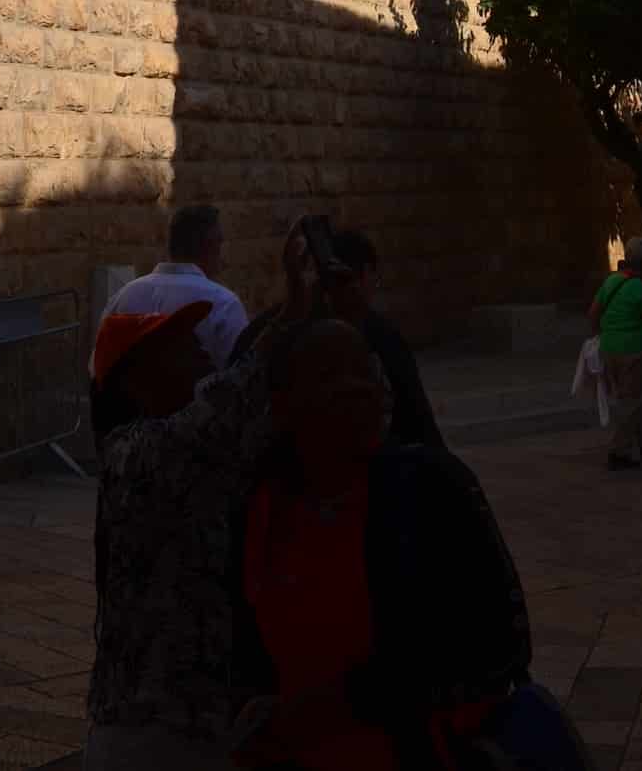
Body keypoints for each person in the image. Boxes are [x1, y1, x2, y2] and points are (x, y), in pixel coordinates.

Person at [228, 320, 532, 768]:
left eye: (364, 370)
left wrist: (342, 705)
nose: (354, 387)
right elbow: (248, 652)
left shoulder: (430, 489)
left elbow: (499, 644)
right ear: (281, 403)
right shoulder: (262, 510)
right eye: (328, 373)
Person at [86, 225, 309, 769]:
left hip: (201, 717)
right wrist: (294, 311)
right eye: (181, 347)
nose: (201, 352)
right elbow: (229, 402)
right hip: (150, 729)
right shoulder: (134, 456)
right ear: (139, 383)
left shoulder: (189, 456)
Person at [328, 228, 444, 451]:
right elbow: (414, 410)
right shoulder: (380, 334)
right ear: (363, 275)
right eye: (374, 279)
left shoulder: (295, 329)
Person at [103, 203, 250, 374]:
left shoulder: (123, 297)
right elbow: (241, 376)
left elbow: (98, 369)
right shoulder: (223, 304)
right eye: (220, 242)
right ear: (211, 246)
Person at [590, 237, 642, 471]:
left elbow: (593, 312)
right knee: (630, 401)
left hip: (609, 348)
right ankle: (619, 452)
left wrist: (603, 333)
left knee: (633, 397)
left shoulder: (611, 282)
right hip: (633, 352)